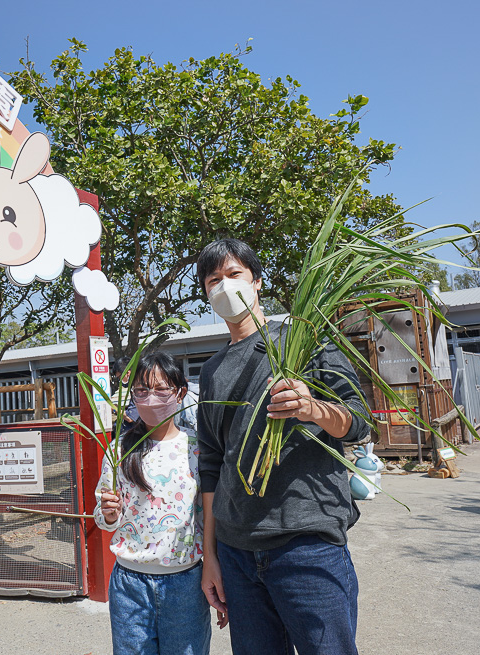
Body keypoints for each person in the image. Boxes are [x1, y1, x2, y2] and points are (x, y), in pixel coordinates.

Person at [195, 238, 370, 655]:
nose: (224, 286)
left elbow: (359, 422)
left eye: (234, 275)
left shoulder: (305, 341)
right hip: (237, 552)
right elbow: (211, 465)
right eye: (213, 280)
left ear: (257, 282)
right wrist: (212, 555)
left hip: (306, 544)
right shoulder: (212, 370)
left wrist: (312, 409)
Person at [94, 350, 212, 655]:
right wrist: (108, 515)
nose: (150, 398)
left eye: (161, 389)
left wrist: (216, 569)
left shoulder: (198, 447)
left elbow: (209, 515)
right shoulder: (118, 449)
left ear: (181, 392)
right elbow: (102, 514)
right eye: (142, 390)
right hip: (129, 584)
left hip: (186, 581)